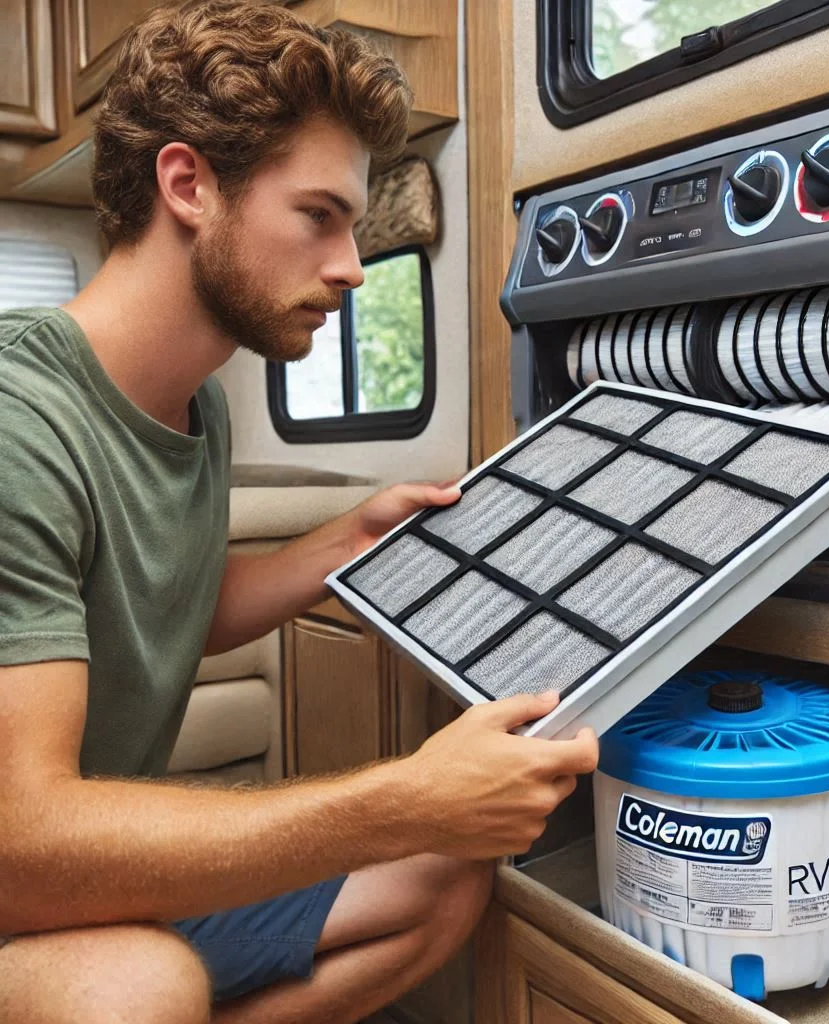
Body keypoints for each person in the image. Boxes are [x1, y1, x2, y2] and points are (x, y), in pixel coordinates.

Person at [0, 2, 600, 1021]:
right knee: (136, 990)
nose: (353, 268)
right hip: (26, 884)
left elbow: (159, 608)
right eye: (319, 215)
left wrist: (342, 545)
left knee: (445, 876)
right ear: (187, 184)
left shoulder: (196, 399)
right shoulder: (22, 421)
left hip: (83, 872)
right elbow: (22, 845)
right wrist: (394, 798)